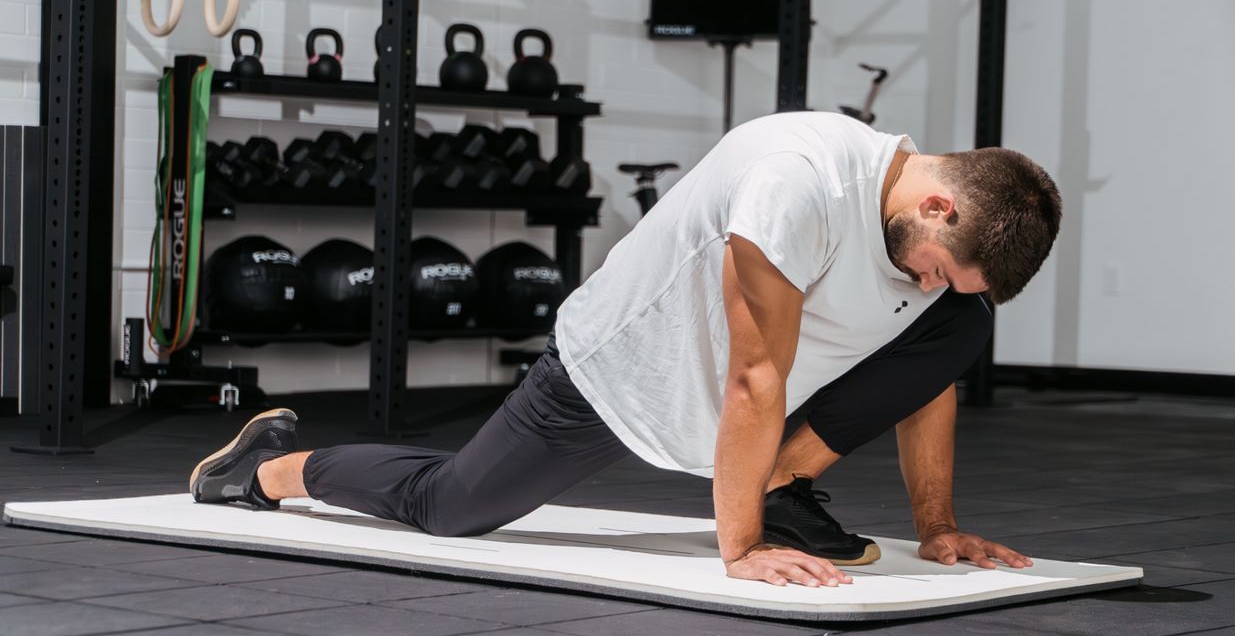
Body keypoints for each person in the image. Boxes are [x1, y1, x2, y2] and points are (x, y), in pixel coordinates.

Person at [190, 111, 1061, 589]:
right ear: (941, 206)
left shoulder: (932, 259)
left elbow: (927, 378)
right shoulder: (797, 182)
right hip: (617, 374)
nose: (933, 283)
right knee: (449, 506)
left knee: (958, 330)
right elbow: (755, 378)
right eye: (942, 268)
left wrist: (937, 529)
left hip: (752, 395)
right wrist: (740, 548)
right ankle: (270, 465)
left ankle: (782, 481)